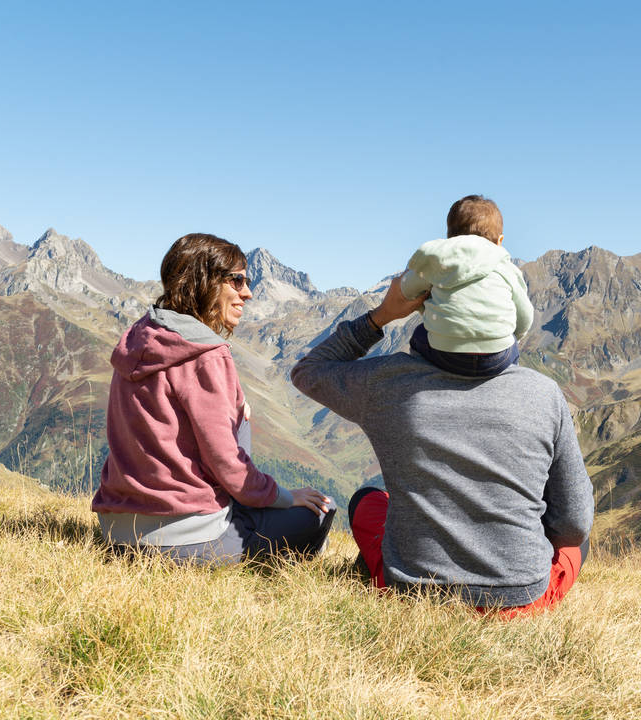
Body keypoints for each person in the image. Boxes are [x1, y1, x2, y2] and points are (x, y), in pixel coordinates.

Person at [290, 211, 594, 617]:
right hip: (521, 603)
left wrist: (382, 315)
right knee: (577, 541)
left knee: (367, 498)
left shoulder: (387, 383)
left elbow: (308, 372)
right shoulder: (543, 394)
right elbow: (573, 524)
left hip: (412, 596)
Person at [91, 233, 335, 565]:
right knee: (321, 510)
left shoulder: (138, 340)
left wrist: (235, 408)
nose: (247, 293)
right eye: (237, 281)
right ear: (204, 282)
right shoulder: (207, 356)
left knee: (242, 413)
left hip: (115, 529)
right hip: (184, 540)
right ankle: (293, 559)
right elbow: (230, 469)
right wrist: (285, 497)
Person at [400, 195, 533, 378]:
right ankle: (508, 382)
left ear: (449, 237)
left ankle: (423, 379)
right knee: (512, 346)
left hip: (444, 353)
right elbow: (525, 317)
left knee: (419, 335)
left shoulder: (440, 262)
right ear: (499, 240)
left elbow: (407, 289)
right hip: (497, 359)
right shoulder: (506, 268)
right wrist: (509, 337)